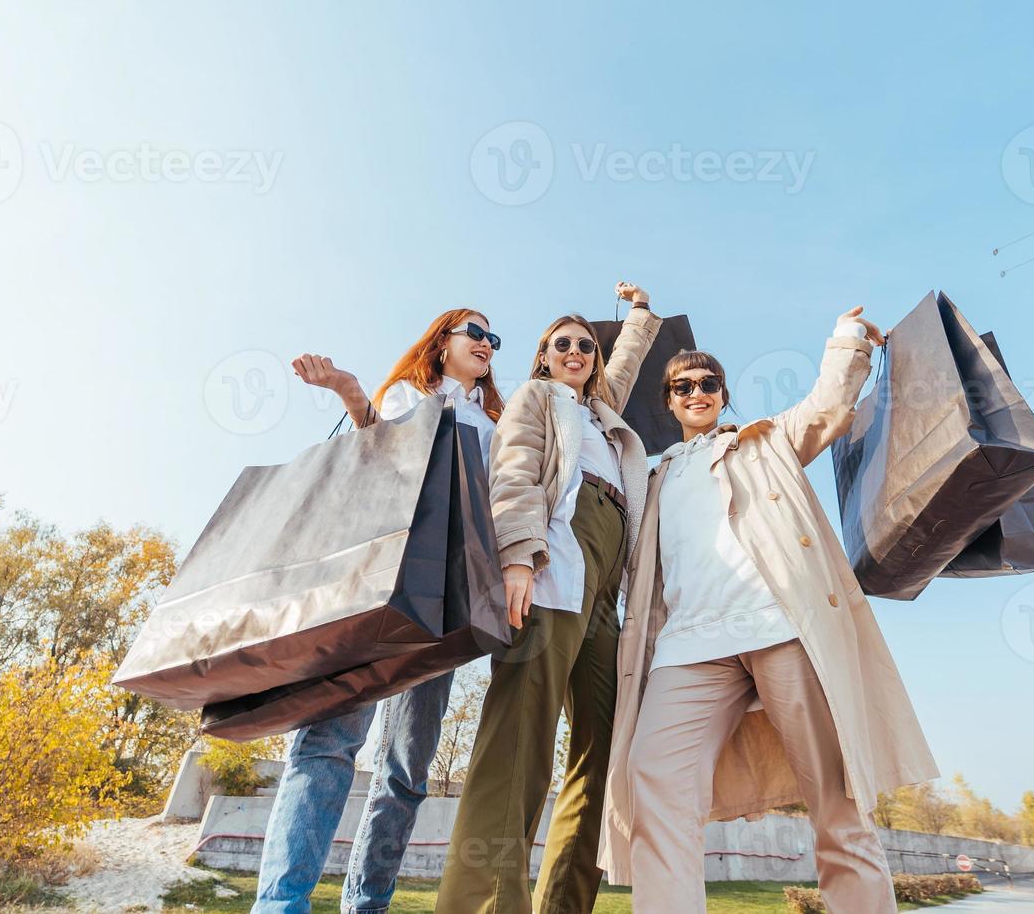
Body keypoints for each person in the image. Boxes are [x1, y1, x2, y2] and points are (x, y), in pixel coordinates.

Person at [597, 306, 940, 914]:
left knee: (835, 798)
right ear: (670, 402)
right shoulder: (654, 479)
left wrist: (845, 337)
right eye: (683, 386)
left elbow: (828, 406)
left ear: (722, 395)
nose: (696, 392)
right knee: (653, 783)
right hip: (688, 646)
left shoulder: (766, 442)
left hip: (781, 627)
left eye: (707, 384)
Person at [252, 308, 504, 914]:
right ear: (442, 341)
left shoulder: (497, 424)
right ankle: (280, 904)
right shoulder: (404, 397)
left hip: (448, 601)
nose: (488, 344)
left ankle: (367, 904)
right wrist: (350, 392)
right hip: (376, 585)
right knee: (330, 740)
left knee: (407, 767)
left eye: (495, 339)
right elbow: (379, 457)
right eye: (476, 332)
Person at [434, 282, 661, 914]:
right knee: (520, 737)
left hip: (608, 581)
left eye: (586, 344)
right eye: (562, 343)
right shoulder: (536, 399)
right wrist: (517, 558)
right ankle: (482, 904)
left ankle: (564, 905)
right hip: (556, 555)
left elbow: (625, 364)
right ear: (542, 355)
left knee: (605, 744)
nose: (576, 351)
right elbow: (513, 472)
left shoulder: (602, 412)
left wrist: (639, 316)